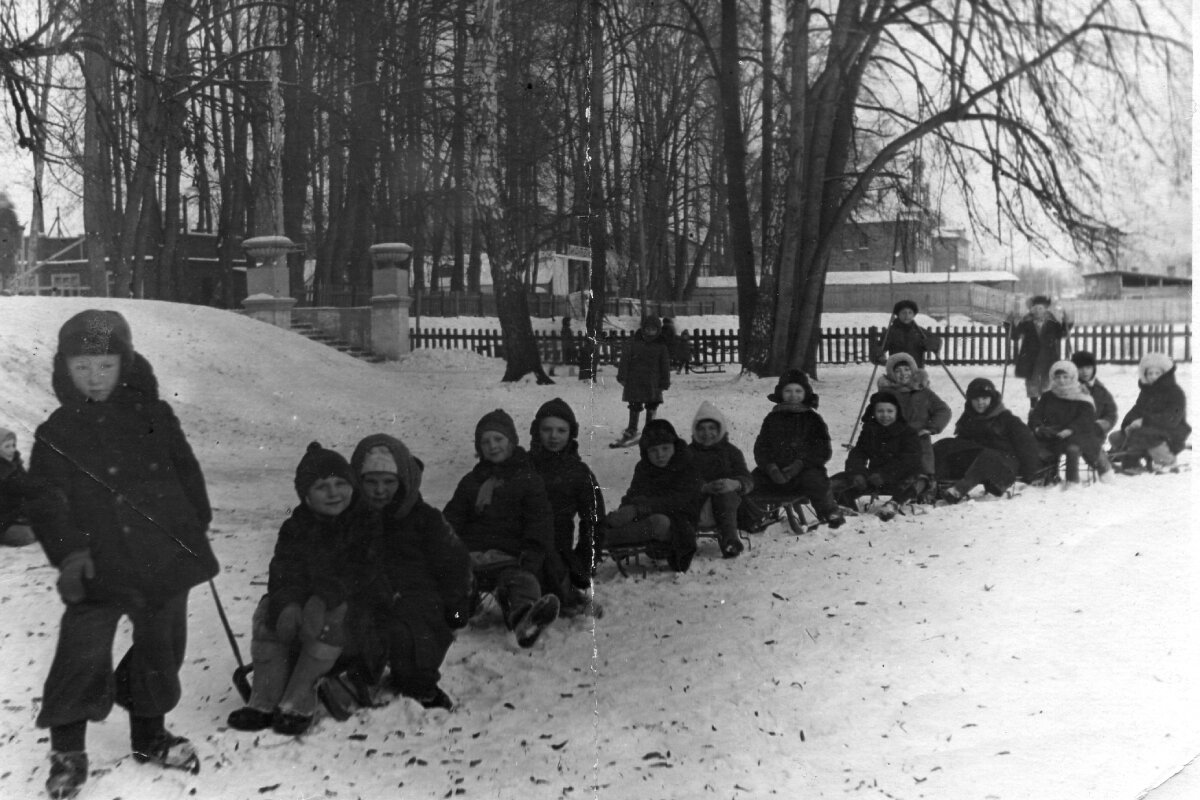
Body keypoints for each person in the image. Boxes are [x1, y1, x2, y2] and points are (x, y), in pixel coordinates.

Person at [30, 310, 218, 798]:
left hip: (160, 556)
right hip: (97, 562)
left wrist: (194, 526)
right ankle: (68, 752)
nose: (94, 377)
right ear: (64, 370)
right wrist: (71, 556)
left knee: (161, 644)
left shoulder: (155, 417)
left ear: (125, 364)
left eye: (105, 365)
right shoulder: (56, 433)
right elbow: (49, 504)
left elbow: (185, 472)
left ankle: (149, 735)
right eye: (82, 367)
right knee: (82, 649)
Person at [227, 442, 388, 736]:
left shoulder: (367, 522)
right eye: (322, 486)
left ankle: (298, 700)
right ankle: (265, 697)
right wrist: (288, 605)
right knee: (268, 609)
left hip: (360, 625)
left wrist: (321, 599)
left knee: (333, 612)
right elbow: (284, 573)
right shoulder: (295, 527)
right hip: (307, 618)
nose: (333, 493)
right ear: (306, 495)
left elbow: (362, 573)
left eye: (341, 483)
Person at [349, 434, 472, 710]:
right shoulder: (351, 519)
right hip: (369, 598)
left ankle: (419, 683)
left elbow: (454, 564)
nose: (380, 490)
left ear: (403, 481)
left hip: (416, 601)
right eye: (371, 482)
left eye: (389, 482)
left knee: (411, 638)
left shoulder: (424, 519)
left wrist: (455, 610)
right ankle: (356, 672)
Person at [443, 409, 563, 648]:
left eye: (498, 439)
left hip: (510, 558)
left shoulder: (528, 479)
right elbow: (452, 518)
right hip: (472, 557)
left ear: (511, 441)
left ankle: (524, 618)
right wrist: (447, 547)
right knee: (456, 584)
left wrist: (530, 559)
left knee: (521, 583)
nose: (492, 446)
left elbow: (539, 523)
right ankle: (456, 616)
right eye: (485, 442)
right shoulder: (471, 482)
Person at [527, 398, 606, 616]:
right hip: (522, 539)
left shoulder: (578, 472)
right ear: (537, 432)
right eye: (547, 429)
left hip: (557, 545)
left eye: (561, 430)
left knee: (553, 566)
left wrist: (585, 559)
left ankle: (567, 599)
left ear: (570, 433)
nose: (554, 437)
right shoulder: (523, 465)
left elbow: (594, 518)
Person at [601, 419, 703, 573]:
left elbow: (680, 500)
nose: (660, 455)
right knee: (623, 516)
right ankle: (604, 532)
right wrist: (625, 511)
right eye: (653, 451)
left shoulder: (687, 464)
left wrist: (639, 509)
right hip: (646, 514)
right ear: (646, 452)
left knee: (659, 522)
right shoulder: (644, 467)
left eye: (665, 448)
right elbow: (634, 493)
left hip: (680, 522)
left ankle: (603, 538)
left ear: (674, 446)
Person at [747, 370, 845, 529]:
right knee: (750, 482)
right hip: (775, 471)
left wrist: (800, 464)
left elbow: (822, 449)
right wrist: (771, 467)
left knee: (817, 480)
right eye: (788, 391)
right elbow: (761, 447)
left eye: (798, 391)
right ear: (781, 393)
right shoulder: (772, 418)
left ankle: (829, 511)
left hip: (803, 471)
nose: (793, 395)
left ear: (806, 393)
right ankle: (754, 517)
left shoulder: (812, 418)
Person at [933, 378, 1042, 503]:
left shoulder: (1007, 419)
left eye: (984, 399)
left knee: (987, 456)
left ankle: (957, 491)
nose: (980, 403)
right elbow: (962, 443)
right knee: (946, 444)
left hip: (1005, 466)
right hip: (978, 462)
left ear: (992, 399)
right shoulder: (969, 418)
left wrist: (1029, 474)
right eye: (976, 399)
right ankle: (931, 483)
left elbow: (1027, 444)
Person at [831, 391, 927, 520]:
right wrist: (858, 473)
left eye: (889, 411)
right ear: (873, 412)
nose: (885, 415)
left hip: (899, 478)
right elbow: (858, 453)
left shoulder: (907, 432)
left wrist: (886, 474)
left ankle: (894, 504)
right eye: (880, 411)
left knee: (921, 479)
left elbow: (910, 459)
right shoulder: (869, 431)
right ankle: (847, 510)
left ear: (897, 412)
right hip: (874, 478)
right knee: (838, 480)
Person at [1028, 360, 1115, 488]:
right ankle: (1045, 476)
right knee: (1034, 444)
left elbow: (1085, 418)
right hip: (1053, 434)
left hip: (1077, 433)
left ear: (1073, 377)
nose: (1061, 380)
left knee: (1073, 448)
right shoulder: (1048, 396)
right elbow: (1036, 415)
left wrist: (1070, 429)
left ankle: (1072, 481)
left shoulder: (1081, 395)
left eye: (1065, 377)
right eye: (1057, 377)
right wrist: (1037, 427)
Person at [686, 401, 753, 558]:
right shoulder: (687, 453)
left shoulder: (731, 452)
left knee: (726, 497)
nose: (707, 433)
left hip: (727, 505)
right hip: (699, 503)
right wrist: (704, 487)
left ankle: (729, 541)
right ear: (695, 431)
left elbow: (747, 478)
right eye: (701, 429)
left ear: (720, 429)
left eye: (712, 428)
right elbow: (682, 480)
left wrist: (735, 483)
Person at [1108, 352, 1191, 473]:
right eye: (1150, 373)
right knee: (1116, 437)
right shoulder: (1147, 391)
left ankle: (1167, 460)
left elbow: (1172, 417)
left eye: (1157, 373)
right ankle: (1133, 458)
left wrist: (1144, 421)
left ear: (1165, 374)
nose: (1153, 376)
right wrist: (1129, 423)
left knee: (1144, 437)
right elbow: (1137, 409)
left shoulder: (1175, 393)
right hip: (1147, 429)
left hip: (1171, 430)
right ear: (1145, 375)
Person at [875, 352, 951, 482]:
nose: (903, 373)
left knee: (921, 466)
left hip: (919, 437)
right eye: (897, 371)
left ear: (913, 371)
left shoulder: (924, 392)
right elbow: (877, 413)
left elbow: (943, 410)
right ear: (891, 374)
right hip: (895, 438)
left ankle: (925, 483)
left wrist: (930, 428)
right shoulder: (887, 394)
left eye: (907, 369)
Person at [614, 315, 671, 447]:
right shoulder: (633, 343)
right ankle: (632, 429)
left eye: (653, 329)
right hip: (635, 381)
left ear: (658, 330)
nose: (650, 332)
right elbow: (625, 361)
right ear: (643, 329)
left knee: (652, 405)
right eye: (648, 329)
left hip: (653, 382)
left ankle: (649, 429)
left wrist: (665, 382)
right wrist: (622, 376)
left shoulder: (661, 346)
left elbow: (665, 366)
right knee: (634, 405)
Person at [1009, 295, 1068, 410]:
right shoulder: (1026, 322)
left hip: (1048, 358)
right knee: (1032, 383)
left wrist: (1066, 322)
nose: (1037, 311)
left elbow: (1062, 334)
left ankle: (1047, 408)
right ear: (1031, 309)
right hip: (1031, 359)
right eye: (1035, 308)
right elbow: (1015, 336)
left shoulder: (1052, 322)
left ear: (1046, 309)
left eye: (1040, 308)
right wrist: (1010, 323)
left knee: (1048, 383)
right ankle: (1033, 407)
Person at [870, 300, 941, 368]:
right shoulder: (891, 332)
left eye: (910, 313)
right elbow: (879, 348)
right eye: (903, 313)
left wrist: (933, 343)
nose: (907, 316)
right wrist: (878, 354)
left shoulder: (920, 331)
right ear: (898, 314)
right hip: (897, 371)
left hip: (917, 370)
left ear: (913, 315)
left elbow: (936, 340)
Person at [0, 427, 39, 546]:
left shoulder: (15, 463)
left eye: (13, 445)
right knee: (28, 536)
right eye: (7, 446)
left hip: (19, 516)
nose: (12, 450)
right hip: (4, 522)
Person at [1070, 351, 1118, 439]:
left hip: (1094, 435)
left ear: (1094, 368)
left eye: (1088, 368)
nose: (1085, 371)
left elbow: (1111, 413)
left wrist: (1102, 425)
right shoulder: (1068, 388)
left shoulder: (1100, 390)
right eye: (1080, 368)